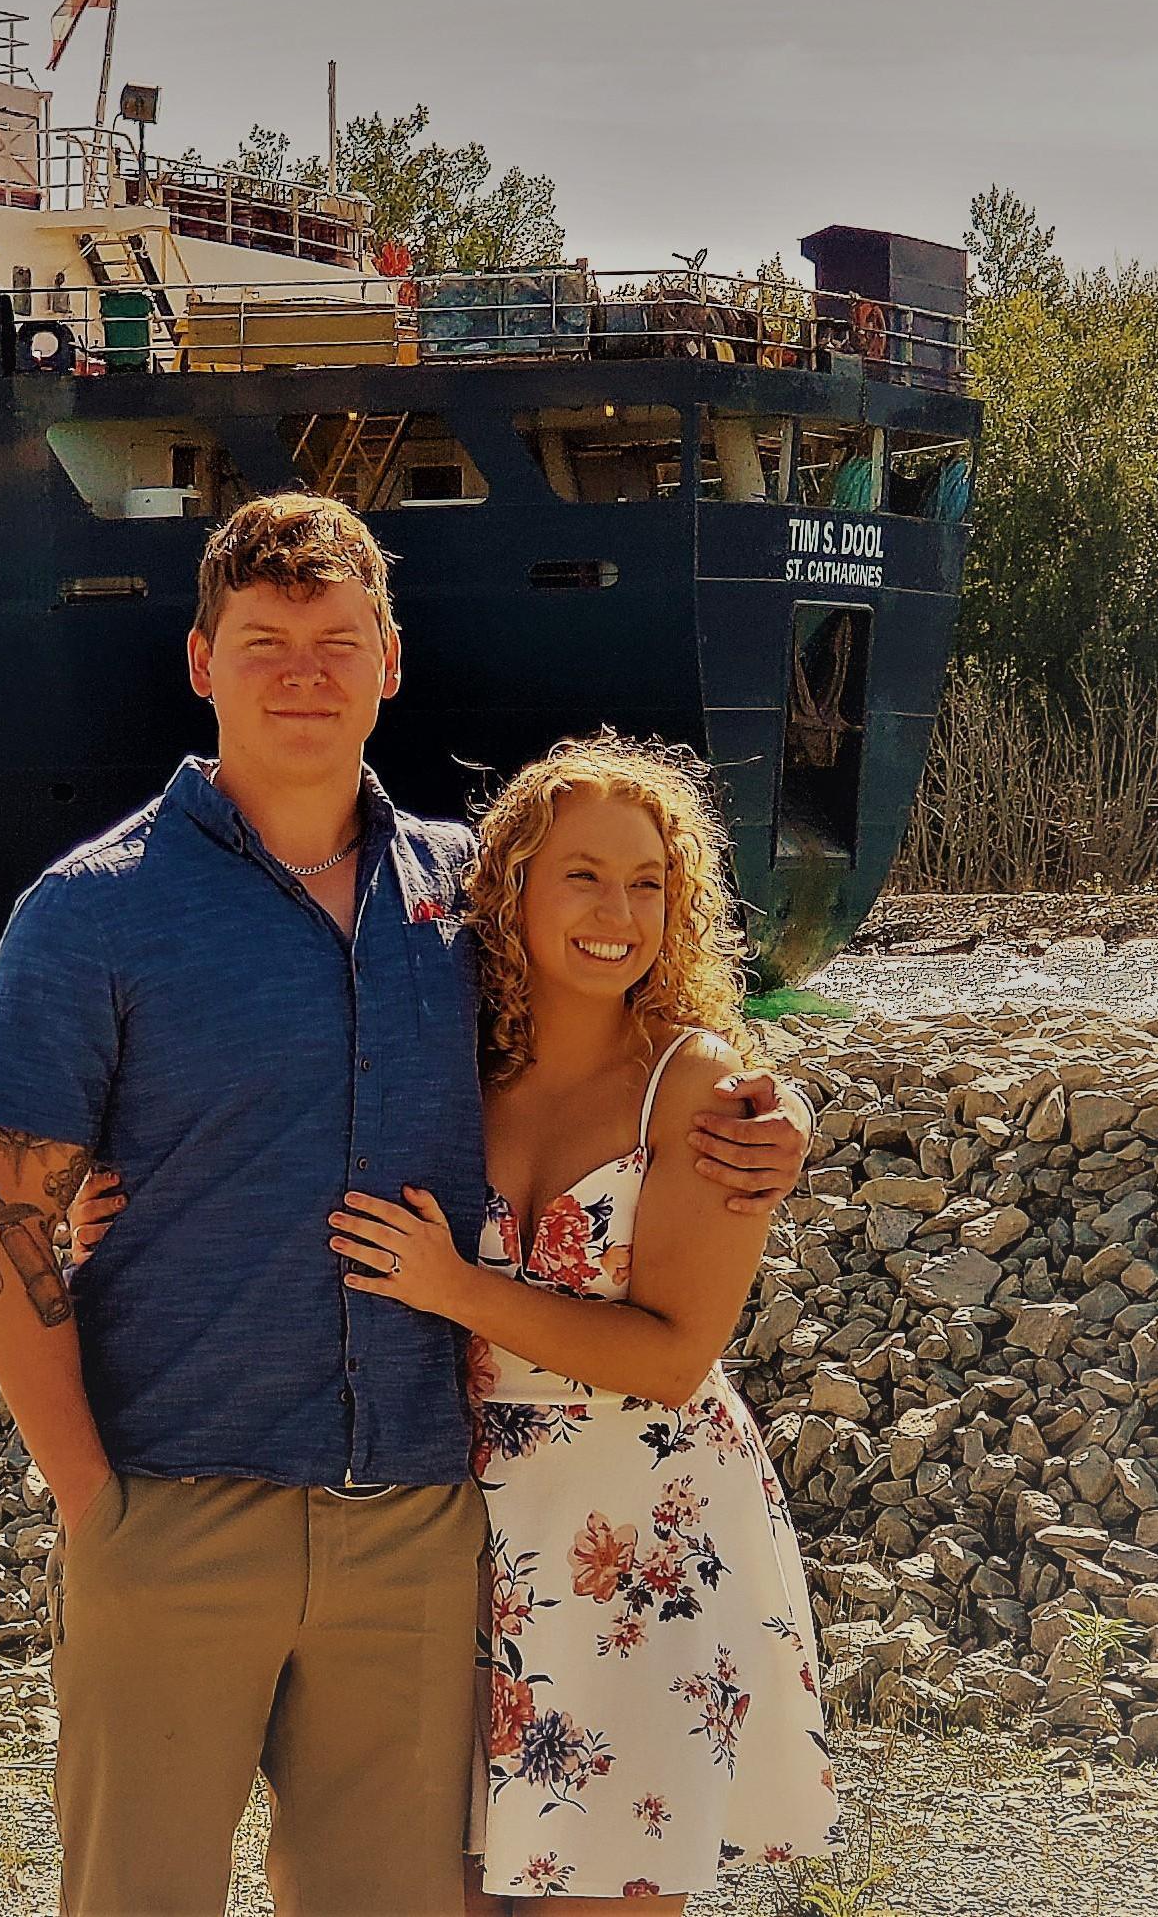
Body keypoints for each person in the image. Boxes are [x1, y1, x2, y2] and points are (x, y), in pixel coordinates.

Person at [0, 493, 810, 1917]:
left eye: (337, 641)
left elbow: (624, 1025)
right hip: (175, 1502)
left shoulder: (467, 902)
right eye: (265, 642)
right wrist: (92, 1502)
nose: (304, 673)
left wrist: (775, 1110)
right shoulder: (92, 910)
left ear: (389, 660)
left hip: (416, 1527)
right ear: (200, 661)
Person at [325, 734, 837, 1908]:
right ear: (511, 891)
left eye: (648, 883)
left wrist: (458, 1288)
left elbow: (673, 1359)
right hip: (463, 1543)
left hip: (641, 1544)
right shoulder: (460, 1067)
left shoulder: (697, 1087)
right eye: (584, 877)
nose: (619, 913)